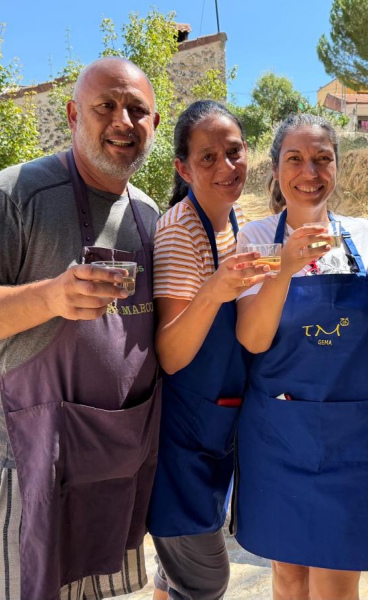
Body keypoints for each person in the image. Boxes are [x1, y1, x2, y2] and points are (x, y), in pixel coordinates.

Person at [0, 57, 163, 600]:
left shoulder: (150, 214)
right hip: (27, 461)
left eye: (137, 110)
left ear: (154, 123)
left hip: (115, 459)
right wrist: (52, 296)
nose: (123, 122)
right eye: (105, 106)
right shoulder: (12, 195)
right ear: (72, 115)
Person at [234, 114, 368, 600]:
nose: (310, 171)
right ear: (277, 169)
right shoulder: (257, 238)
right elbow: (253, 339)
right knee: (288, 576)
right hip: (279, 432)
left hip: (353, 432)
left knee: (336, 578)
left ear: (337, 167)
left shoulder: (363, 237)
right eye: (296, 159)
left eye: (323, 159)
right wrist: (284, 266)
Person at [145, 100, 268, 600]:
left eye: (234, 152)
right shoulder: (180, 230)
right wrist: (215, 290)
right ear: (183, 167)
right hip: (181, 441)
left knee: (176, 573)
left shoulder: (237, 224)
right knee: (206, 580)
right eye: (208, 157)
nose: (226, 166)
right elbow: (171, 353)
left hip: (218, 429)